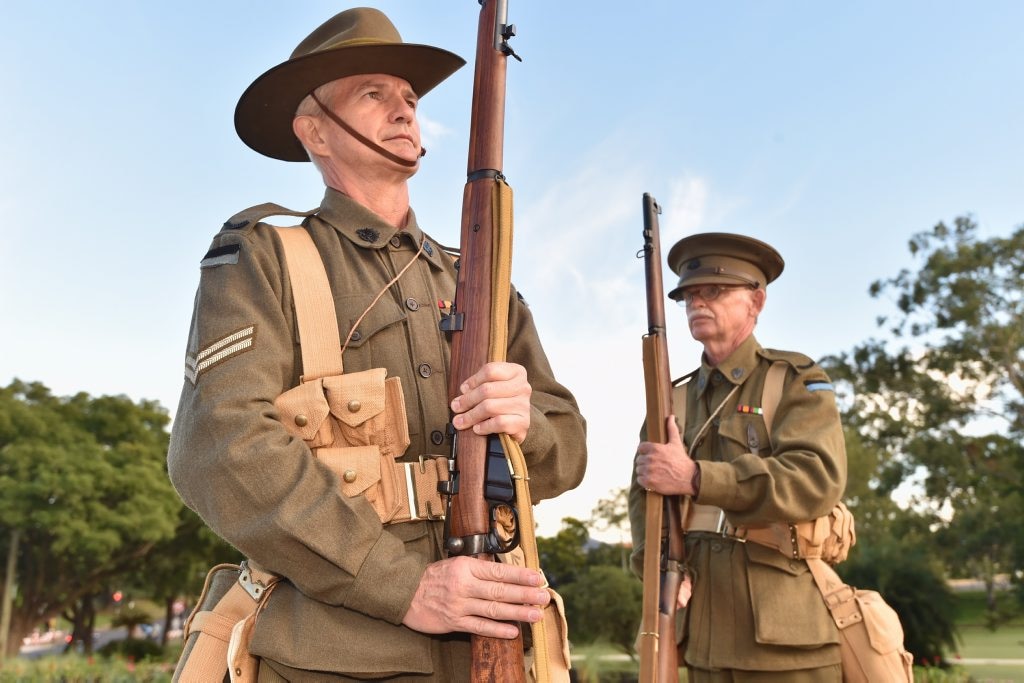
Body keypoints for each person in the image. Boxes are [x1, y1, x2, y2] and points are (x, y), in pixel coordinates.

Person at [167, 8, 587, 681]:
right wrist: (401, 583)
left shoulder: (483, 280)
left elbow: (568, 452)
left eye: (411, 99)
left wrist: (524, 423)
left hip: (498, 644)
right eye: (373, 94)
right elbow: (220, 443)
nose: (404, 110)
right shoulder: (264, 257)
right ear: (314, 131)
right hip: (338, 656)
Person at [628, 233, 847, 682]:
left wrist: (696, 478)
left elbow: (816, 478)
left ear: (757, 301)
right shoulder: (673, 399)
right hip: (700, 629)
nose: (697, 303)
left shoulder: (794, 380)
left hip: (783, 639)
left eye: (714, 291)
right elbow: (642, 493)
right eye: (689, 294)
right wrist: (659, 566)